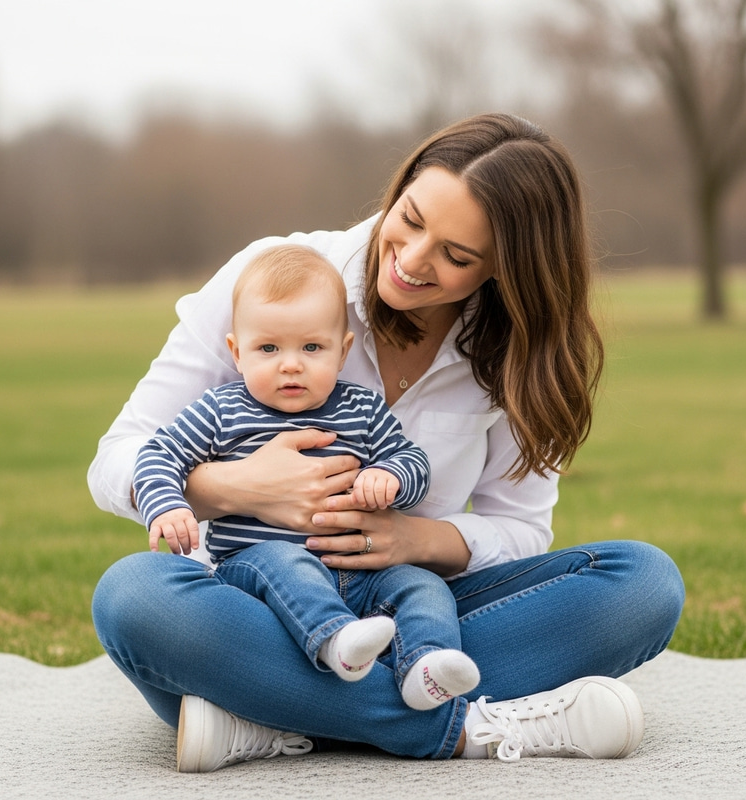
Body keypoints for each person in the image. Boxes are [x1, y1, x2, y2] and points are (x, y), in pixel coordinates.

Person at [90, 112, 684, 771]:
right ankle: (470, 728)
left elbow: (520, 530)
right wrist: (232, 488)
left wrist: (418, 540)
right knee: (134, 597)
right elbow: (120, 456)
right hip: (256, 600)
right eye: (410, 217)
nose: (410, 259)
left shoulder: (517, 348)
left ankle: (271, 716)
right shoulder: (270, 282)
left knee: (644, 584)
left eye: (456, 256)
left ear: (504, 270)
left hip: (417, 601)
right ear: (399, 188)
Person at [132, 243, 480, 711]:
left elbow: (412, 460)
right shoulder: (222, 410)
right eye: (268, 348)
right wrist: (169, 505)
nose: (290, 363)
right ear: (237, 352)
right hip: (257, 569)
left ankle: (428, 667)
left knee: (423, 586)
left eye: (312, 347)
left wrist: (390, 477)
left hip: (358, 572)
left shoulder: (362, 408)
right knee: (285, 563)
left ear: (343, 352)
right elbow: (158, 453)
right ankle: (336, 643)